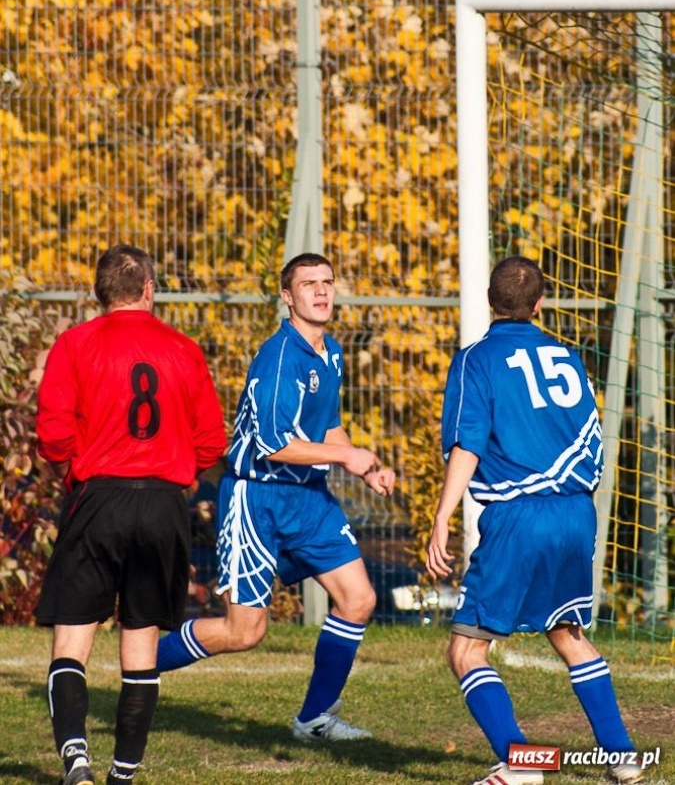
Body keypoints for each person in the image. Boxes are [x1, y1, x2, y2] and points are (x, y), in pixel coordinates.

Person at [156, 251, 396, 741]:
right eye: (309, 284)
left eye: (327, 281)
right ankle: (141, 666)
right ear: (287, 297)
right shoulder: (280, 356)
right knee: (244, 632)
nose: (322, 291)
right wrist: (347, 459)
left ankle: (314, 721)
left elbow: (326, 426)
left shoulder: (331, 352)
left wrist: (363, 464)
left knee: (358, 598)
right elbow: (274, 443)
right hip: (257, 499)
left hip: (307, 497)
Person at [426, 256, 644, 785]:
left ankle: (523, 766)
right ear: (540, 303)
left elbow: (467, 444)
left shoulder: (475, 360)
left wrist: (442, 517)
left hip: (519, 516)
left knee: (467, 649)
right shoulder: (569, 357)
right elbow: (591, 439)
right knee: (567, 632)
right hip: (575, 510)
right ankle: (623, 756)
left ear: (488, 301)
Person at [35, 245, 227, 785]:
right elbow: (211, 440)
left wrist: (78, 469)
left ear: (99, 294)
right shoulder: (184, 349)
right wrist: (175, 471)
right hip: (163, 502)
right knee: (140, 640)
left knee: (73, 638)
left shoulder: (74, 344)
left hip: (99, 496)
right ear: (148, 289)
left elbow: (52, 436)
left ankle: (76, 760)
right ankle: (124, 774)